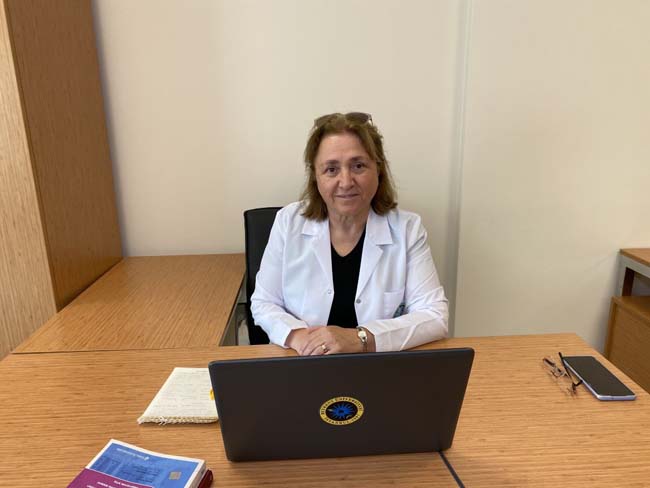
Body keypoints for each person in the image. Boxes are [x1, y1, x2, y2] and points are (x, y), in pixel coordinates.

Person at [251, 112, 448, 355]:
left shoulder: (407, 229)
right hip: (302, 361)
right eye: (331, 169)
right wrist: (300, 338)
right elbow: (264, 302)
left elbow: (434, 316)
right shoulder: (288, 222)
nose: (346, 182)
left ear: (378, 170)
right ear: (316, 176)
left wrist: (362, 338)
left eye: (358, 166)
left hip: (378, 365)